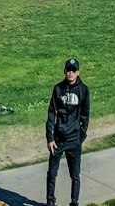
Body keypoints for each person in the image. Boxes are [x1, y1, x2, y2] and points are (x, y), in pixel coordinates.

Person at [45, 58, 90, 206]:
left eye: (73, 70)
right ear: (64, 71)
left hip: (74, 140)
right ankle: (50, 201)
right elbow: (52, 113)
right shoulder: (57, 89)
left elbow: (85, 115)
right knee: (51, 174)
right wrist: (50, 138)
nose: (70, 73)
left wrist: (80, 136)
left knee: (75, 175)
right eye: (68, 70)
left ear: (78, 72)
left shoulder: (83, 90)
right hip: (58, 139)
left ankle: (74, 202)